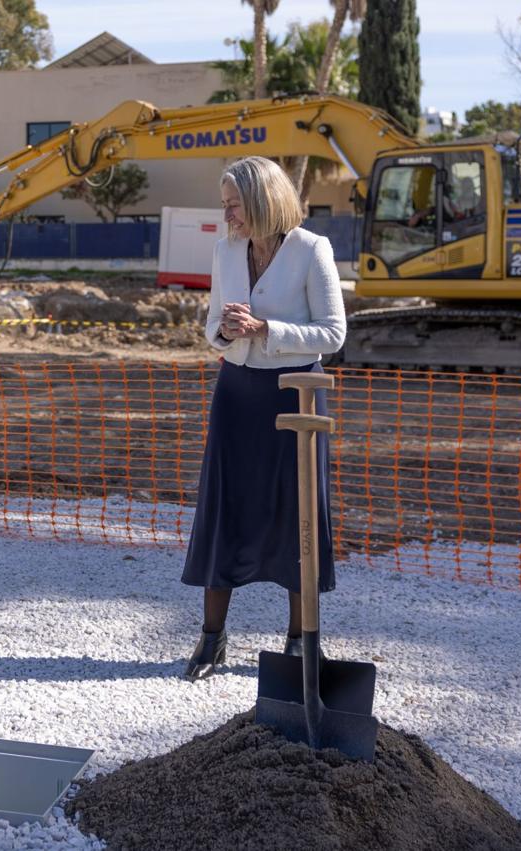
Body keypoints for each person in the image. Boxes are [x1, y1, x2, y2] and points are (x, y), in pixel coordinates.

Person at [181, 155, 347, 680]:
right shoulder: (224, 250)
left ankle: (299, 643)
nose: (227, 215)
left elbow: (333, 335)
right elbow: (212, 327)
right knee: (223, 507)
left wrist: (265, 329)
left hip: (295, 397)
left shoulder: (311, 249)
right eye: (225, 204)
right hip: (235, 394)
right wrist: (228, 332)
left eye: (234, 205)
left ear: (261, 201)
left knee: (296, 513)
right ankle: (212, 639)